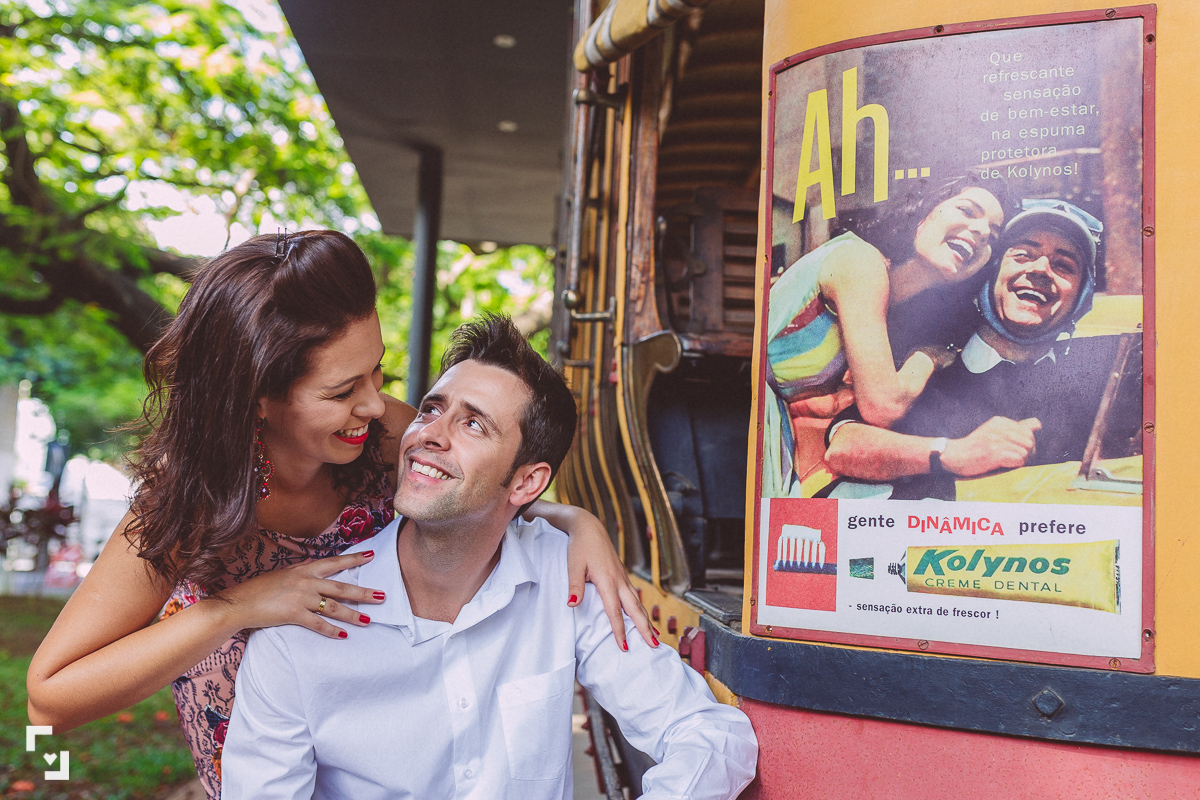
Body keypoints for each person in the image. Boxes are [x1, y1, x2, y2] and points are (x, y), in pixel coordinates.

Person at [26, 231, 653, 800]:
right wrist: (239, 607)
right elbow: (46, 704)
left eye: (377, 369)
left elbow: (486, 486)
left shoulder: (380, 433)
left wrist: (576, 522)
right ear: (258, 400)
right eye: (341, 391)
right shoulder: (184, 505)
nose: (376, 403)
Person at [222, 315, 759, 800]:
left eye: (473, 424)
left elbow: (710, 732)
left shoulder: (562, 579)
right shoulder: (298, 630)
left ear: (527, 481)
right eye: (432, 409)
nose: (429, 434)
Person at [822, 199, 1135, 500]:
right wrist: (955, 453)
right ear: (994, 273)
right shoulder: (932, 354)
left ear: (1081, 298)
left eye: (1063, 266)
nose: (1040, 270)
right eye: (1023, 255)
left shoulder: (1100, 378)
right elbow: (845, 445)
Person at [763, 176, 1010, 496]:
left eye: (992, 235)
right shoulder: (860, 263)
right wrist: (930, 356)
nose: (980, 231)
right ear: (922, 214)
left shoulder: (901, 310)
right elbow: (883, 405)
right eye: (967, 210)